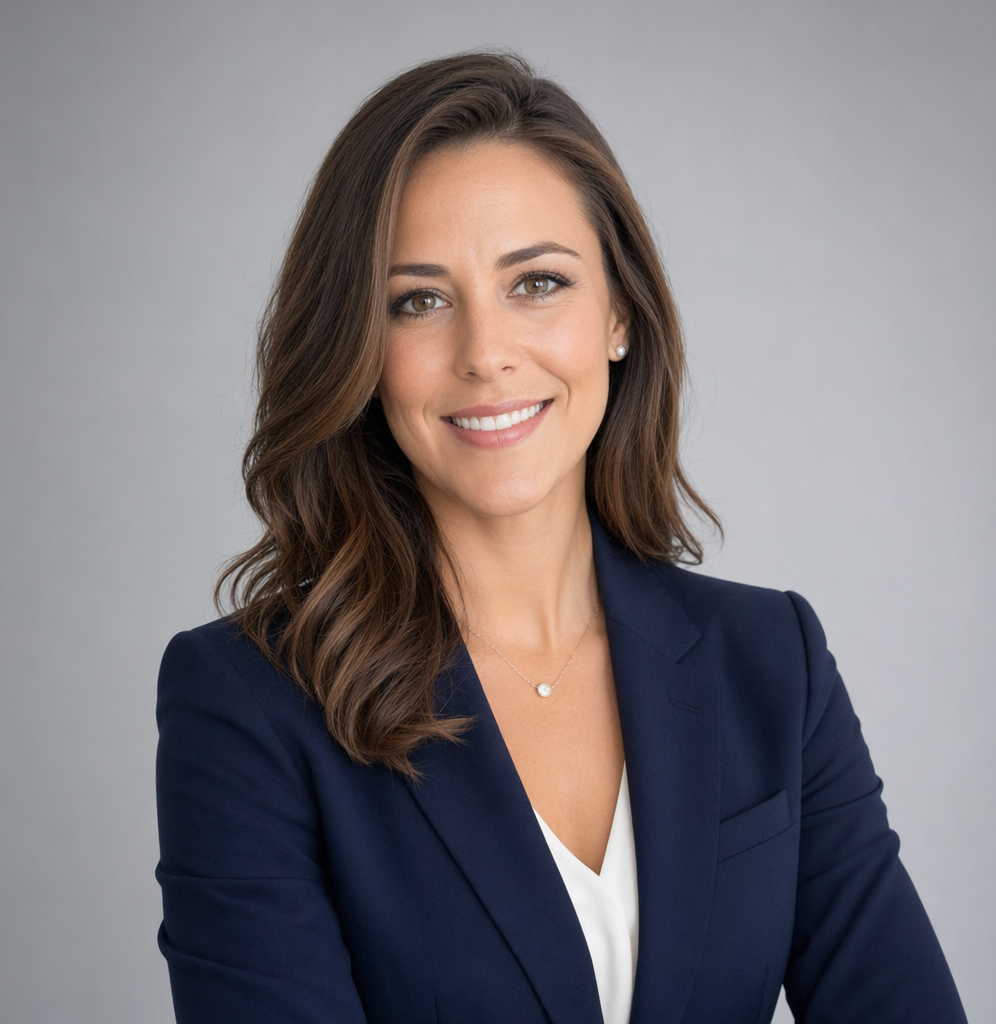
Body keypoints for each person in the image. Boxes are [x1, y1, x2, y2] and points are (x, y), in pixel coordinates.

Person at [154, 52, 966, 1024]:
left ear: (618, 315)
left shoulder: (770, 664)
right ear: (359, 351)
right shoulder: (247, 703)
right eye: (418, 300)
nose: (486, 351)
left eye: (535, 282)